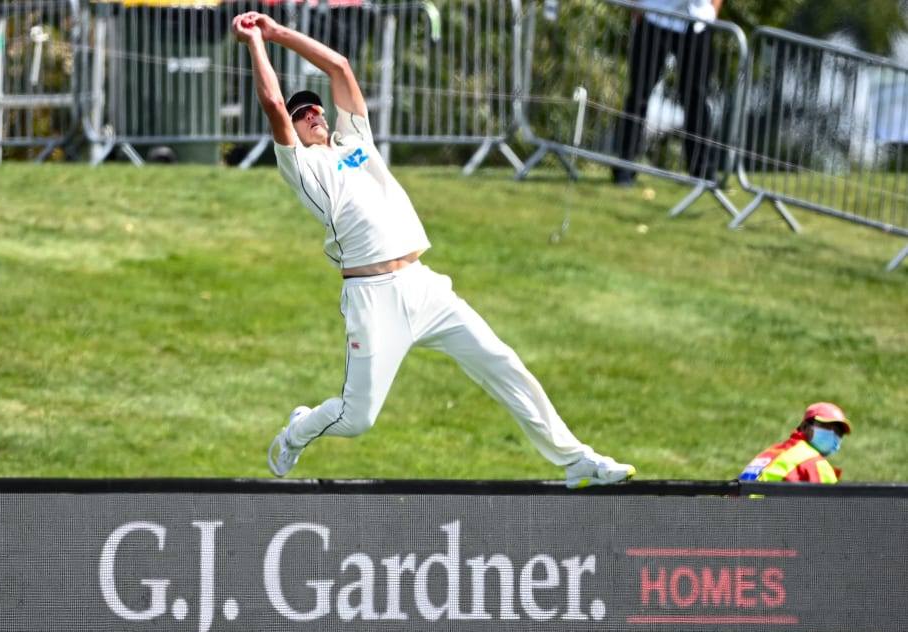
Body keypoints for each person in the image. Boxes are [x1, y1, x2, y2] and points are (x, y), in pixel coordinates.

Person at [230, 11, 636, 487]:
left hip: (424, 287)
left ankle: (576, 459)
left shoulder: (355, 140)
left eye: (315, 108)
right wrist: (257, 43)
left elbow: (339, 66)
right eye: (304, 115)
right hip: (373, 297)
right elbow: (274, 103)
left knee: (501, 360)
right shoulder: (301, 167)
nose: (312, 114)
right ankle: (300, 430)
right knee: (357, 419)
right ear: (294, 132)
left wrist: (278, 32)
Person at [611, 0, 725, 186]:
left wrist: (714, 9)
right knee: (639, 93)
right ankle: (624, 168)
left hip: (698, 22)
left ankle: (702, 172)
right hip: (655, 16)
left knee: (697, 98)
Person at [739, 402, 852, 483]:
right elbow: (828, 511)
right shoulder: (815, 464)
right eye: (827, 427)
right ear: (804, 426)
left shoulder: (773, 452)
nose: (833, 435)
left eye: (838, 433)